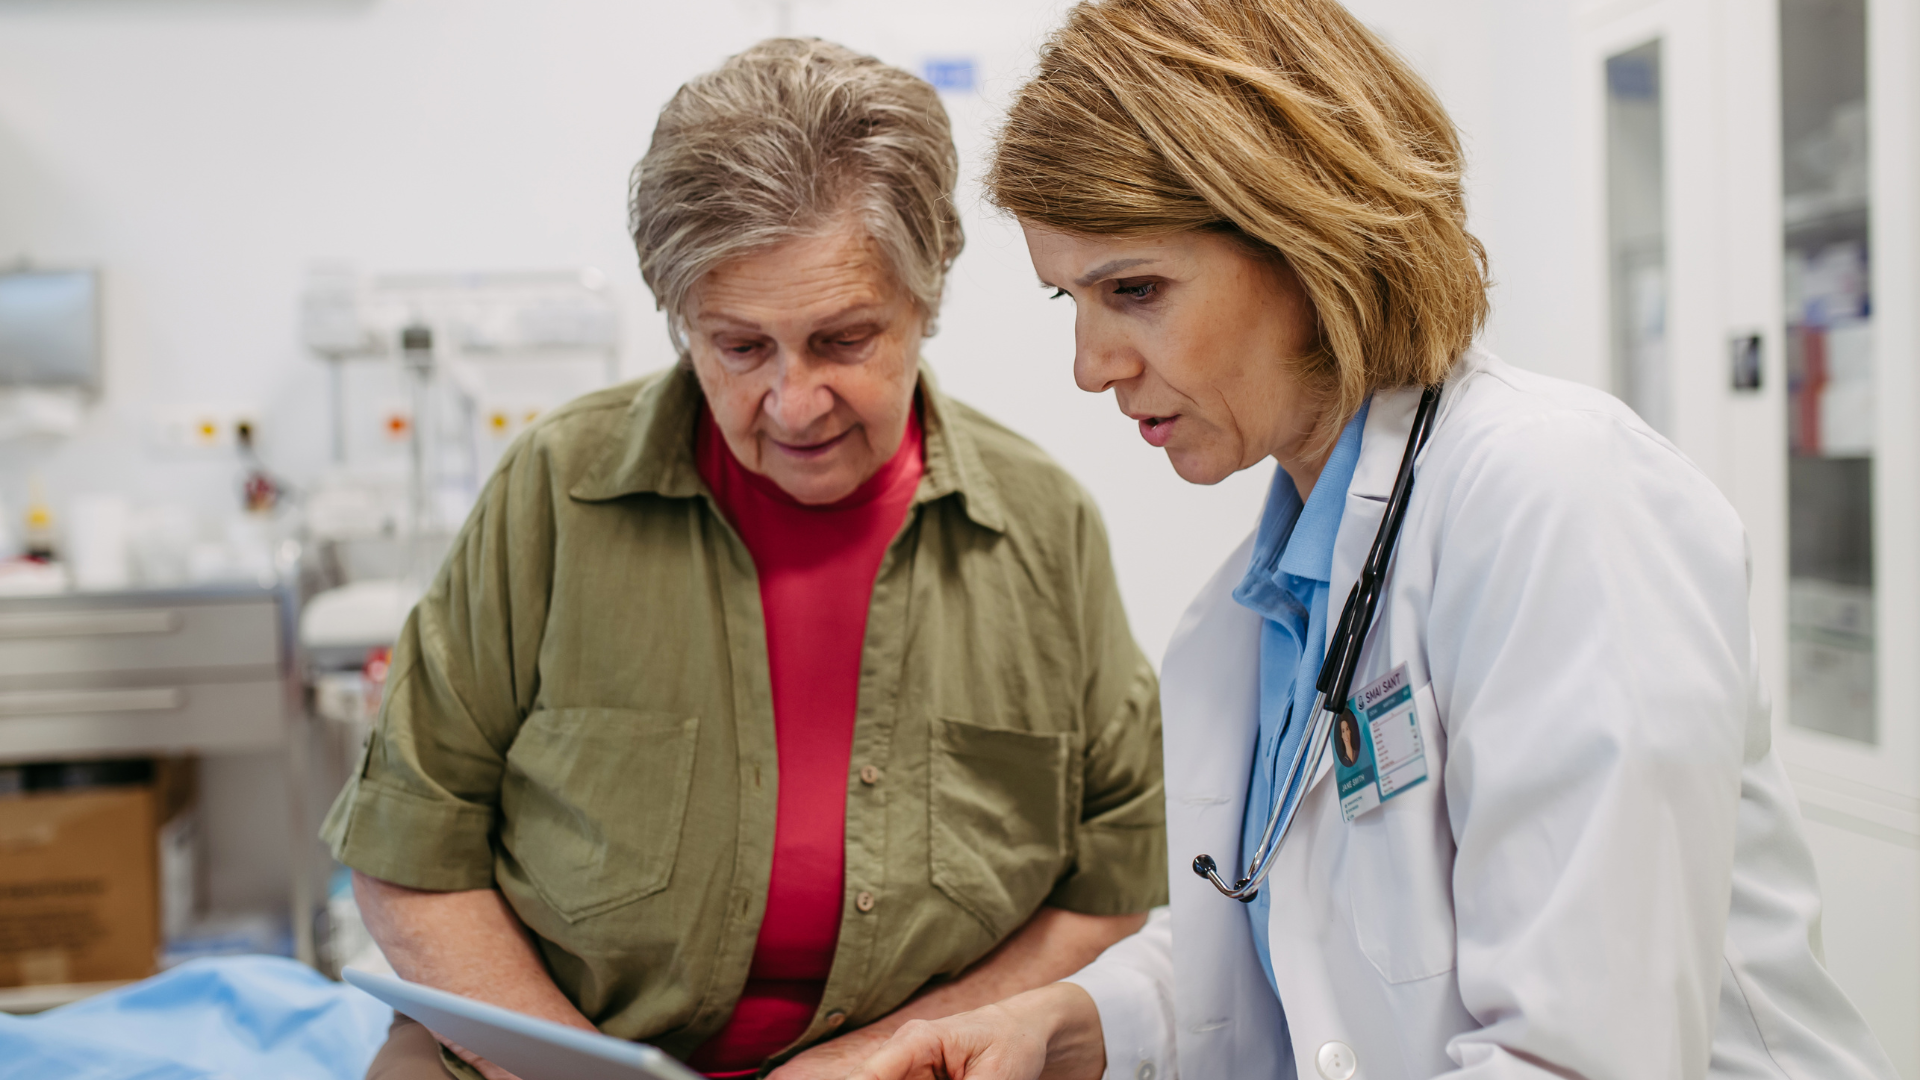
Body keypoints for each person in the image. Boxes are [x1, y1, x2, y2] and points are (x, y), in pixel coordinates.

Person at [849, 2, 1901, 1078]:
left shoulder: (1558, 503)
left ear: (1308, 241)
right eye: (1070, 299)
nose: (1092, 362)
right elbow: (1295, 939)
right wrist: (1069, 1024)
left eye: (1134, 290)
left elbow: (1571, 1057)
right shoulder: (1255, 612)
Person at [322, 38, 1167, 1080]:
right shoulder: (557, 490)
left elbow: (1112, 881)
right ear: (681, 324)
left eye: (844, 341)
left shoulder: (1042, 528)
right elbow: (410, 848)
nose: (793, 402)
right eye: (740, 346)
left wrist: (887, 1056)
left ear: (925, 303)